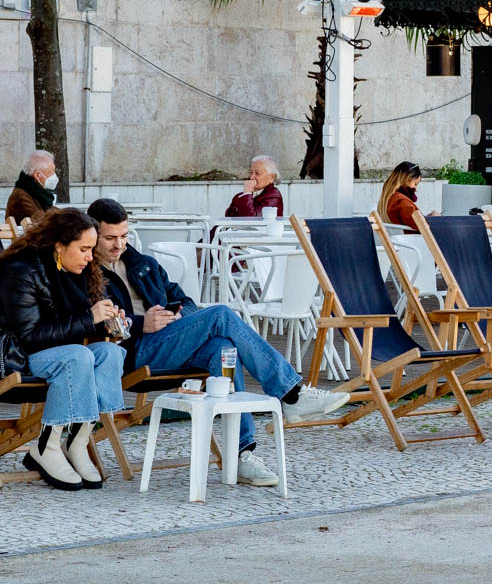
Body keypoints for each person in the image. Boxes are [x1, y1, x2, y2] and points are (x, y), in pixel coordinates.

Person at [85, 199, 349, 486]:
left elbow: (185, 300)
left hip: (171, 343)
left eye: (123, 236)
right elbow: (95, 323)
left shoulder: (143, 264)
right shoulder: (88, 274)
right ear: (93, 234)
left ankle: (241, 455)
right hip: (133, 353)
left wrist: (178, 316)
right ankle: (291, 394)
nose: (118, 244)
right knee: (221, 314)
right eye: (110, 238)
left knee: (224, 348)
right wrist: (140, 324)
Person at [0, 207, 123, 491]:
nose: (90, 257)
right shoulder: (21, 272)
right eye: (83, 249)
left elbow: (74, 324)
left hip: (56, 355)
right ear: (59, 245)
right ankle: (46, 446)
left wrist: (106, 323)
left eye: (91, 249)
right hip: (12, 359)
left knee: (109, 353)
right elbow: (30, 336)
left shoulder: (77, 271)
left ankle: (77, 443)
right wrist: (88, 317)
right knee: (78, 355)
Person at [3, 150, 59, 228]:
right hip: (27, 238)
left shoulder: (39, 192)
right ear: (38, 175)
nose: (54, 175)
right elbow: (41, 220)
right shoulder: (21, 196)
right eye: (51, 172)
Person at [376, 162, 426, 229]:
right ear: (405, 179)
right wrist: (433, 219)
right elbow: (420, 225)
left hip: (394, 238)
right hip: (409, 238)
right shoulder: (401, 201)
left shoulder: (388, 199)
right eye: (415, 184)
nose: (416, 189)